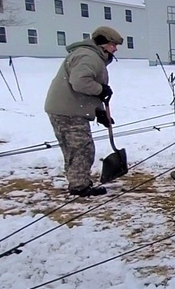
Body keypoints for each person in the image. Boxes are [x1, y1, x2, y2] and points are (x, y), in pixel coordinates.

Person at [44, 26, 123, 197]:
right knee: (81, 149)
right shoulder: (88, 57)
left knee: (75, 149)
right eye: (113, 44)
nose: (115, 49)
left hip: (68, 108)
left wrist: (100, 111)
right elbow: (80, 83)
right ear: (102, 43)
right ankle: (80, 186)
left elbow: (86, 88)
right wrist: (100, 89)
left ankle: (78, 181)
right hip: (69, 111)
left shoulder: (92, 56)